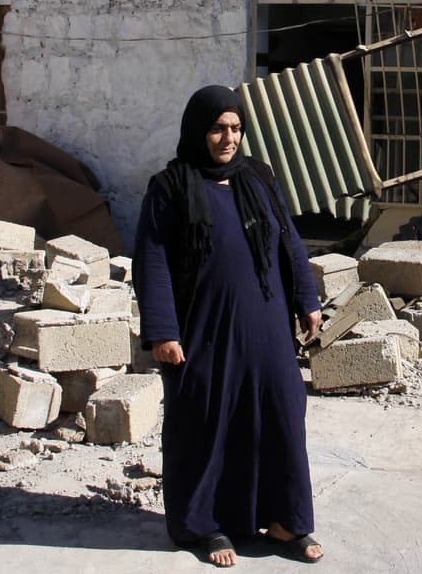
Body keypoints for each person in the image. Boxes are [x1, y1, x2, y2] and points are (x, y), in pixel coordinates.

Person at [133, 85, 325, 567]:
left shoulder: (258, 178)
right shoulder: (171, 187)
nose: (228, 138)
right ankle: (204, 527)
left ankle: (286, 521)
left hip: (266, 326)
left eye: (236, 128)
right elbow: (151, 261)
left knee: (282, 411)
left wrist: (307, 297)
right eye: (218, 128)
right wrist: (163, 331)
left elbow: (287, 237)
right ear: (199, 130)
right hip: (203, 329)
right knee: (205, 423)